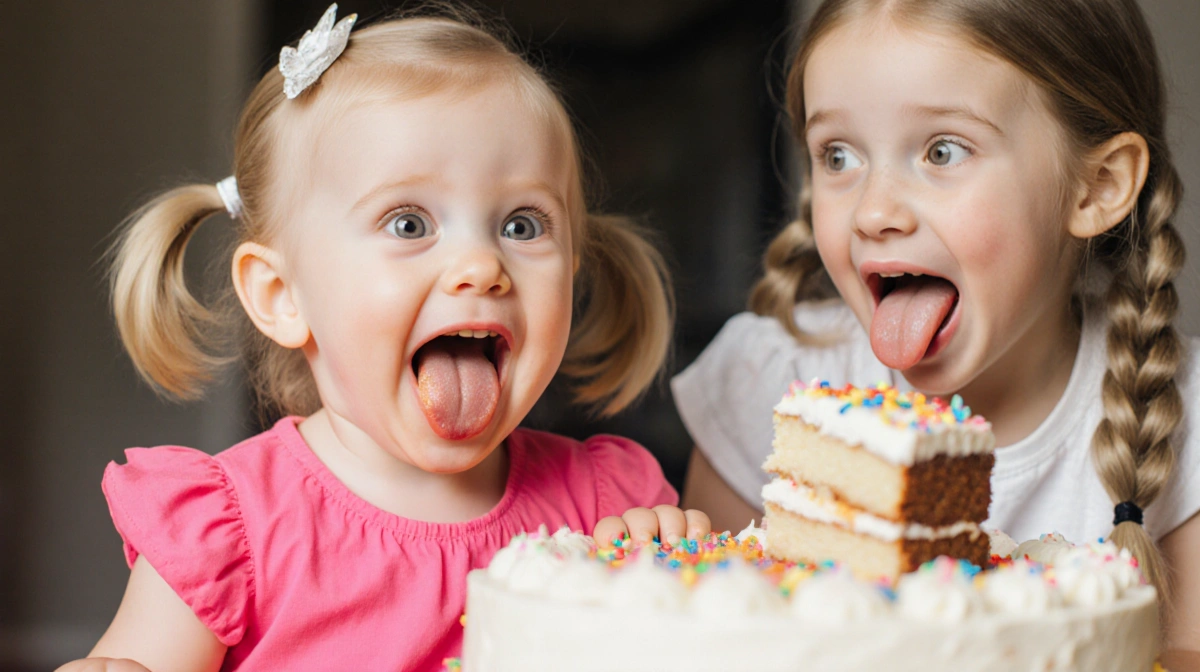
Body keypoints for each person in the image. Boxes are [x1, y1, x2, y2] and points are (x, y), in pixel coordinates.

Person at [58, 5, 708, 671]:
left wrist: (669, 585)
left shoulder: (607, 512)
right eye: (408, 224)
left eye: (521, 225)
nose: (481, 266)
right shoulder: (230, 530)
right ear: (282, 296)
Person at [672, 0, 1199, 648]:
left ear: (1096, 186)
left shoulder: (1181, 423)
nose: (873, 211)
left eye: (942, 151)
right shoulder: (773, 382)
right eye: (838, 156)